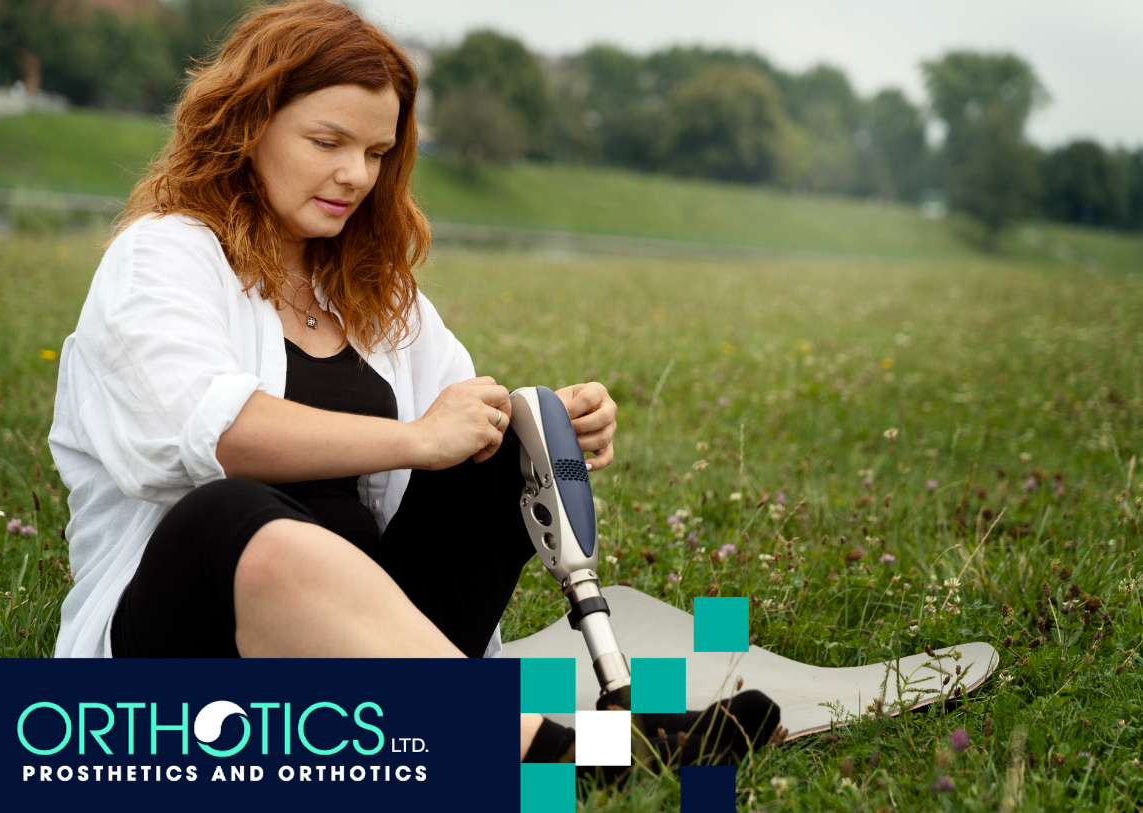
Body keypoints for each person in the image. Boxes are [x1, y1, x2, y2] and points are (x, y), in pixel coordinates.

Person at [48, 0, 777, 767]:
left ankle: (534, 738)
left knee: (500, 451)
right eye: (327, 142)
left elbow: (463, 424)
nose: (354, 175)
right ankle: (570, 755)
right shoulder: (164, 255)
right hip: (197, 650)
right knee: (229, 509)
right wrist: (415, 438)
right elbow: (208, 434)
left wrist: (548, 424)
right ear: (248, 125)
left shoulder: (370, 289)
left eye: (375, 152)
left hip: (374, 638)